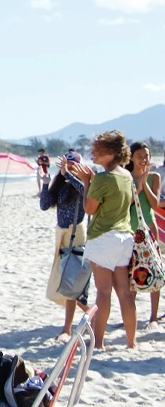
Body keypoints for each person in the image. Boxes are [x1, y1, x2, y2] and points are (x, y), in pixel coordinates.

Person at [69, 130, 137, 350]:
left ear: (110, 152)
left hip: (103, 237)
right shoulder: (126, 175)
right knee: (125, 292)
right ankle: (131, 341)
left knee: (104, 292)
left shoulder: (102, 178)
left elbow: (90, 208)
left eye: (96, 150)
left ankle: (98, 343)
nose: (92, 154)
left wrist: (87, 182)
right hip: (125, 236)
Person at [40, 151, 91, 341]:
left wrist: (69, 174)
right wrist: (46, 184)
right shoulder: (61, 185)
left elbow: (86, 194)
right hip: (62, 236)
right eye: (65, 165)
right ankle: (92, 314)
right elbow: (45, 205)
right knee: (67, 282)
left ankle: (68, 327)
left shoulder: (82, 185)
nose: (67, 169)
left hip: (76, 235)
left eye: (72, 166)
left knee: (71, 283)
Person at [125, 142, 162, 330]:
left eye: (146, 155)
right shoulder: (125, 177)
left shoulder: (154, 177)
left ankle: (153, 317)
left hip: (149, 230)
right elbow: (124, 205)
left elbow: (155, 205)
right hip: (130, 231)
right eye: (140, 155)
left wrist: (144, 184)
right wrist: (137, 187)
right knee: (131, 275)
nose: (144, 159)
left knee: (154, 272)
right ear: (131, 157)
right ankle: (130, 317)